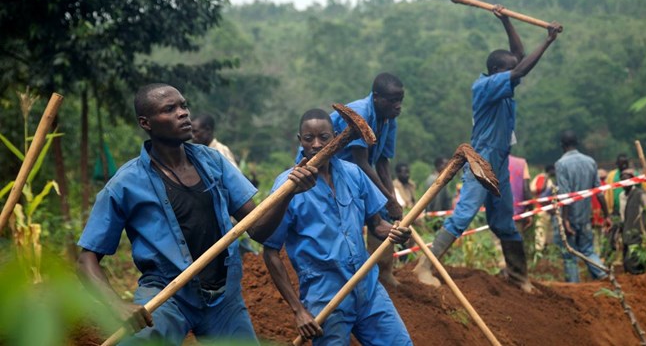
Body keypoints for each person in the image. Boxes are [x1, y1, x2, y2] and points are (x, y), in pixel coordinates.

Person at [76, 84, 316, 345]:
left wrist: (289, 193)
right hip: (166, 296)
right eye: (170, 109)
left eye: (183, 105)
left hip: (224, 299)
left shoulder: (213, 162)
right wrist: (115, 305)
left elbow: (257, 229)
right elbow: (86, 259)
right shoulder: (125, 183)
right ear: (146, 123)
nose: (183, 113)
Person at [412, 5, 561, 292]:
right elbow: (520, 68)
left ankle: (518, 276)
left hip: (500, 160)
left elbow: (517, 59)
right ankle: (424, 266)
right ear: (495, 72)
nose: (514, 78)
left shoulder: (502, 86)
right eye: (508, 73)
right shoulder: (484, 87)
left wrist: (506, 21)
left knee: (503, 220)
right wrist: (548, 41)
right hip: (482, 160)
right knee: (464, 213)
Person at [262, 109, 413, 345]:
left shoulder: (354, 174)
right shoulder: (287, 187)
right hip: (326, 296)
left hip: (368, 286)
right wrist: (298, 310)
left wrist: (394, 232)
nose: (316, 144)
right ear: (299, 140)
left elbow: (377, 224)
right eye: (309, 138)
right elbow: (270, 251)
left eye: (324, 137)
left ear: (335, 138)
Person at [330, 72, 405, 287]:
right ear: (376, 97)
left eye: (400, 100)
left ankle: (383, 272)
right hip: (333, 169)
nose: (398, 106)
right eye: (393, 101)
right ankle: (352, 275)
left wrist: (391, 200)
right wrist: (388, 199)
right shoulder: (360, 113)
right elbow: (361, 161)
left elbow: (382, 162)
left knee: (382, 211)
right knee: (348, 216)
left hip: (358, 173)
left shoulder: (389, 120)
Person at [192, 112, 257, 255]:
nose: (192, 136)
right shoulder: (200, 152)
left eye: (195, 131)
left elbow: (234, 183)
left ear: (208, 130)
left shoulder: (218, 151)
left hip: (230, 216)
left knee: (244, 252)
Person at [554, 130, 611, 283]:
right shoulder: (590, 162)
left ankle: (574, 288)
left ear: (562, 145)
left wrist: (565, 220)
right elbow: (599, 192)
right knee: (587, 250)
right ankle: (604, 275)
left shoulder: (561, 164)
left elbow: (565, 195)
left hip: (570, 218)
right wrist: (607, 216)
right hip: (585, 217)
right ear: (577, 143)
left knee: (569, 255)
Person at [619, 168, 646, 274]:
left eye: (628, 180)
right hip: (626, 232)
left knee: (634, 262)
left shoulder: (640, 194)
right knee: (627, 262)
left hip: (638, 234)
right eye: (623, 181)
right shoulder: (621, 196)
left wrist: (645, 227)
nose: (625, 184)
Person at [530, 164, 556, 251]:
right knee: (540, 232)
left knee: (547, 233)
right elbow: (537, 189)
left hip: (546, 209)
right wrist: (546, 177)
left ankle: (545, 251)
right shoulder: (541, 178)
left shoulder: (546, 179)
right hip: (541, 209)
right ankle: (539, 251)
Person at [591, 169, 608, 254]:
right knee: (603, 235)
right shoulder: (607, 186)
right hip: (603, 213)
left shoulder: (592, 187)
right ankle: (602, 253)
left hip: (593, 215)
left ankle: (596, 253)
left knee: (595, 236)